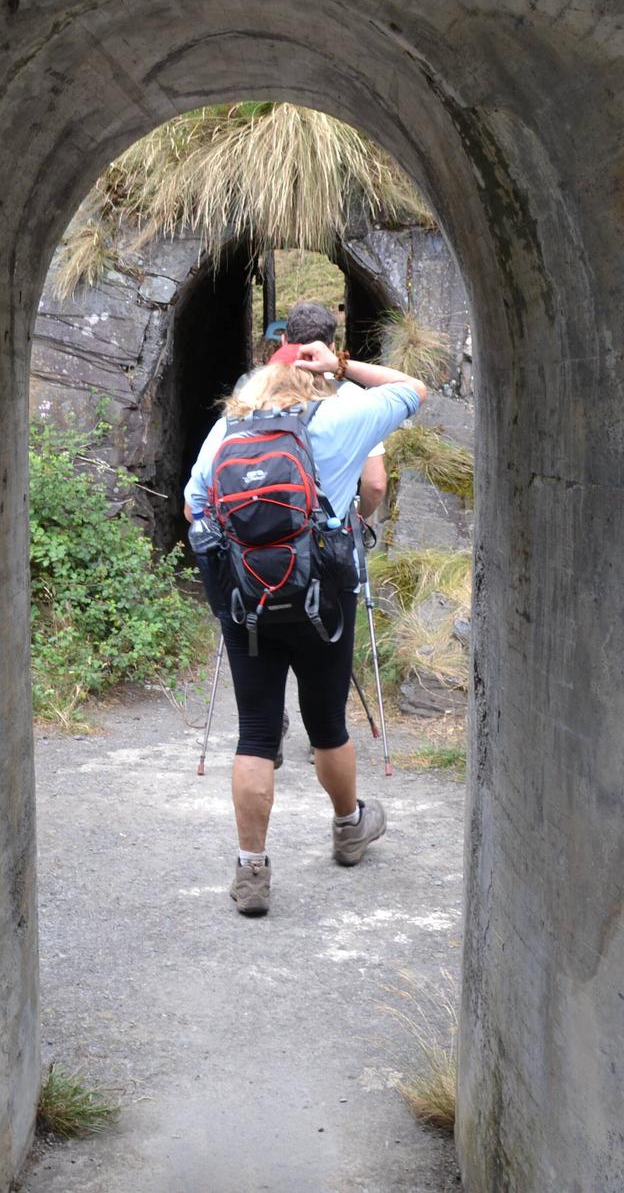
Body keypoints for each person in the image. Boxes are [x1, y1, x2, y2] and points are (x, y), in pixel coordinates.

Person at [183, 338, 427, 916]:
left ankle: (251, 872)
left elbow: (196, 508)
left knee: (258, 734)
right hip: (325, 601)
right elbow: (415, 390)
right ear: (313, 379)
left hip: (249, 606)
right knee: (326, 725)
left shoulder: (229, 431)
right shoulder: (341, 414)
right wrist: (341, 366)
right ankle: (348, 828)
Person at [280, 301, 389, 516]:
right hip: (331, 535)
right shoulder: (358, 401)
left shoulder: (249, 400)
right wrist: (359, 518)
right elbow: (375, 484)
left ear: (283, 341)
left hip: (266, 539)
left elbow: (195, 503)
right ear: (331, 348)